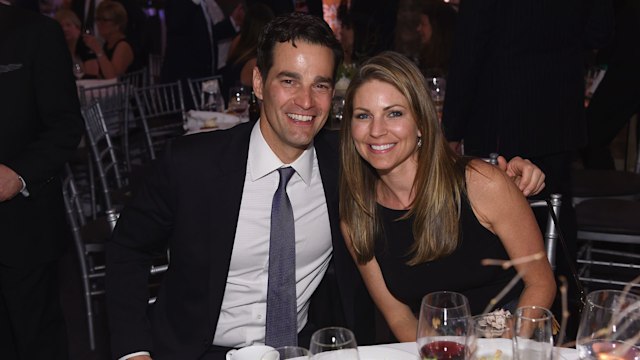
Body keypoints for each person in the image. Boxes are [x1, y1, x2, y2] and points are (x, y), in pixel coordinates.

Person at [105, 12, 547, 360]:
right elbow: (126, 250)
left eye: (320, 85)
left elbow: (421, 167)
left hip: (306, 352)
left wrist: (509, 173)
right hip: (197, 352)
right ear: (258, 83)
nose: (306, 102)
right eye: (289, 81)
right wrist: (134, 352)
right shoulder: (192, 165)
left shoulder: (347, 164)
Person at [339, 51, 555, 341]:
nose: (377, 130)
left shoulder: (480, 184)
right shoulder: (358, 218)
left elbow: (541, 283)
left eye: (394, 113)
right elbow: (399, 316)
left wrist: (501, 350)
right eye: (363, 116)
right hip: (436, 346)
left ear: (421, 124)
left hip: (513, 335)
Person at [0, 2, 84, 358]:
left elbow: (66, 126)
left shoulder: (35, 32)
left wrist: (19, 175)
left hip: (20, 226)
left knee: (33, 342)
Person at [220, 2, 274, 104]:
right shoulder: (254, 63)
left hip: (228, 109)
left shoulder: (237, 43)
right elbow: (269, 97)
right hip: (241, 113)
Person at [82, 0, 141, 79]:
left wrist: (98, 50)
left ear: (117, 24)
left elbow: (112, 77)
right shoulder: (107, 44)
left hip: (127, 89)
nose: (99, 24)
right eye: (98, 19)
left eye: (105, 20)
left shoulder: (123, 45)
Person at [415, 0, 457, 76]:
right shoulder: (423, 60)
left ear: (436, 28)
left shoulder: (453, 66)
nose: (418, 28)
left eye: (423, 24)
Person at [54, 8, 99, 78]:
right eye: (61, 26)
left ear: (78, 29)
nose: (65, 29)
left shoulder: (86, 48)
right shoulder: (54, 51)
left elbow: (92, 75)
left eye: (68, 25)